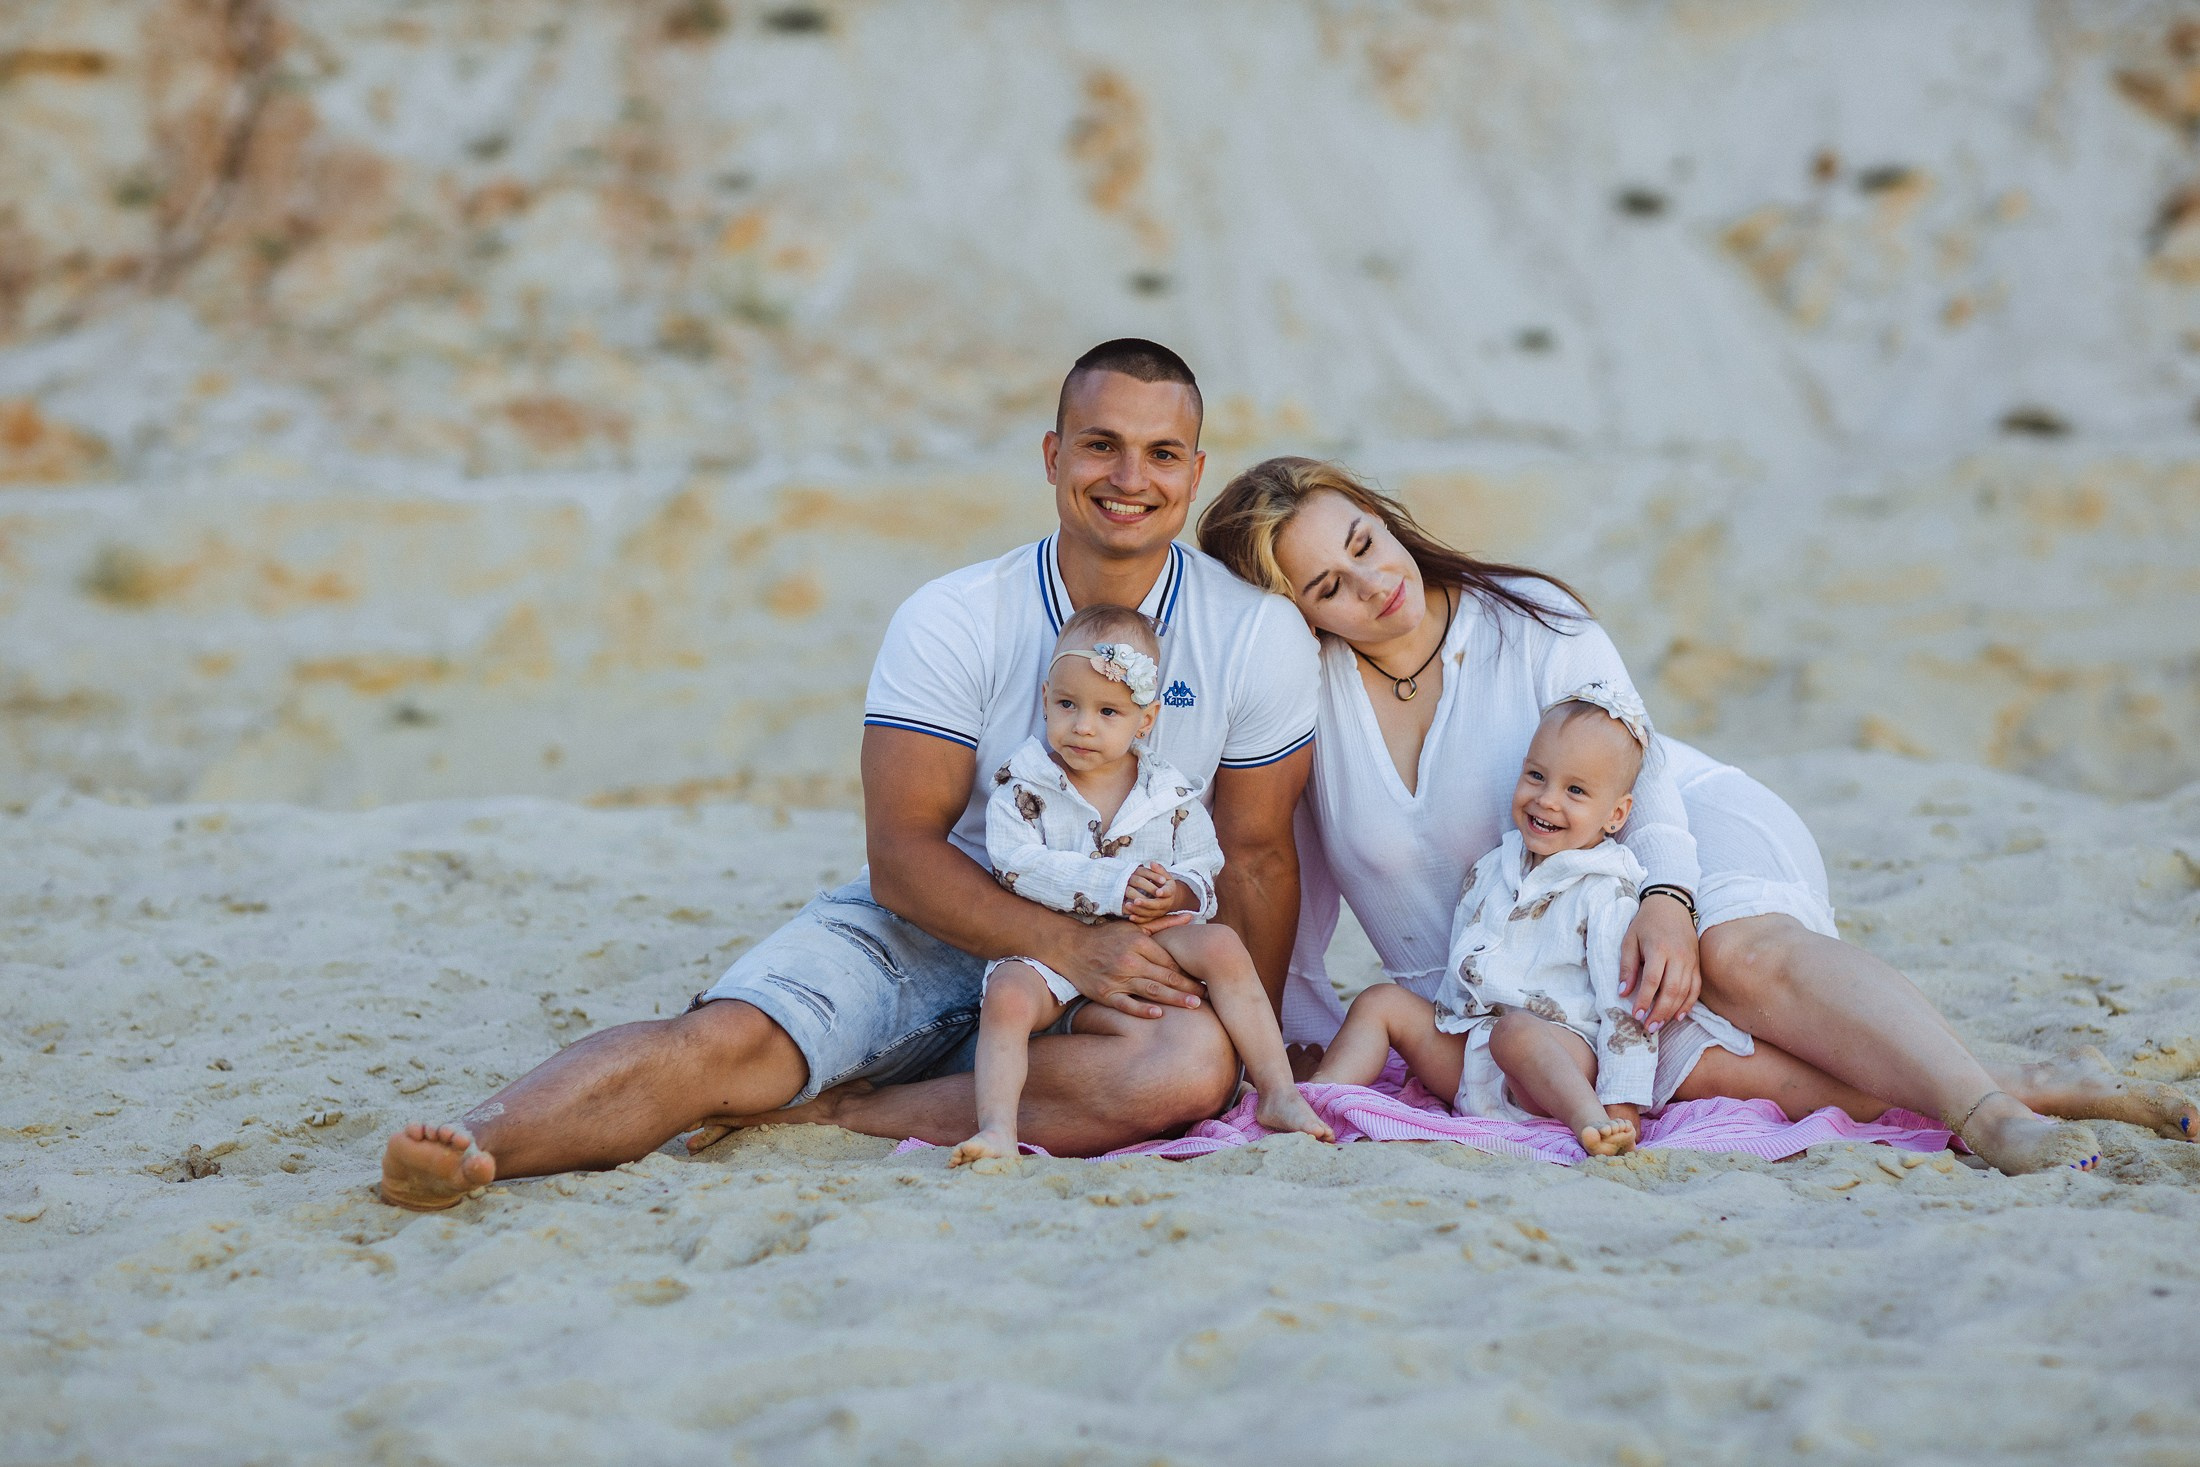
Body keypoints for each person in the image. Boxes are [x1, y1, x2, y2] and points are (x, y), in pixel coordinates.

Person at [378, 340, 1319, 1209]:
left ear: (1195, 475)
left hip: (1116, 946)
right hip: (934, 921)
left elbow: (1257, 855)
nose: (1128, 478)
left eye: (1161, 454)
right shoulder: (955, 614)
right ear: (1051, 455)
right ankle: (475, 1142)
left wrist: (1252, 1043)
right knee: (729, 1045)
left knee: (1186, 1071)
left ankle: (846, 1110)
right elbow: (903, 854)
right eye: (1101, 444)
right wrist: (1066, 946)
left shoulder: (1250, 631)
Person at [1200, 457, 2200, 1175]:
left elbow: (1650, 774)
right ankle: (2040, 1077)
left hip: (1671, 832)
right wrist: (1286, 1029)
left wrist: (1669, 899)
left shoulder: (1532, 619)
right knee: (1737, 1076)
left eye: (1365, 543)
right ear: (1295, 611)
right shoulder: (1303, 701)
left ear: (1382, 515)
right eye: (1328, 583)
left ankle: (1989, 1119)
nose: (1374, 585)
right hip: (1530, 962)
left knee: (1734, 959)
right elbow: (1278, 866)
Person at [1313, 684, 1885, 1155]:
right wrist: (1445, 1021)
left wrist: (1622, 1104)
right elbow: (1469, 957)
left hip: (1564, 1054)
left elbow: (1623, 1009)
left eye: (1575, 791)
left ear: (1615, 816)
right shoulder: (1497, 864)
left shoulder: (1606, 891)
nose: (1546, 800)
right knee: (1379, 1003)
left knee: (1519, 1033)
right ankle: (1320, 1102)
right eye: (1536, 776)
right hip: (1475, 1053)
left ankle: (1590, 1123)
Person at [954, 605, 1333, 1167]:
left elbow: (1204, 866)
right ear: (1044, 698)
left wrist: (1177, 893)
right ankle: (996, 1128)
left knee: (1224, 945)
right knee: (1007, 995)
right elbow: (1014, 864)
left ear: (1145, 719)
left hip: (1149, 936)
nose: (1083, 726)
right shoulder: (1023, 782)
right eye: (1067, 705)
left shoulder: (1168, 792)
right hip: (1050, 945)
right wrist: (1112, 884)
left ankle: (1276, 1091)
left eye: (1108, 711)